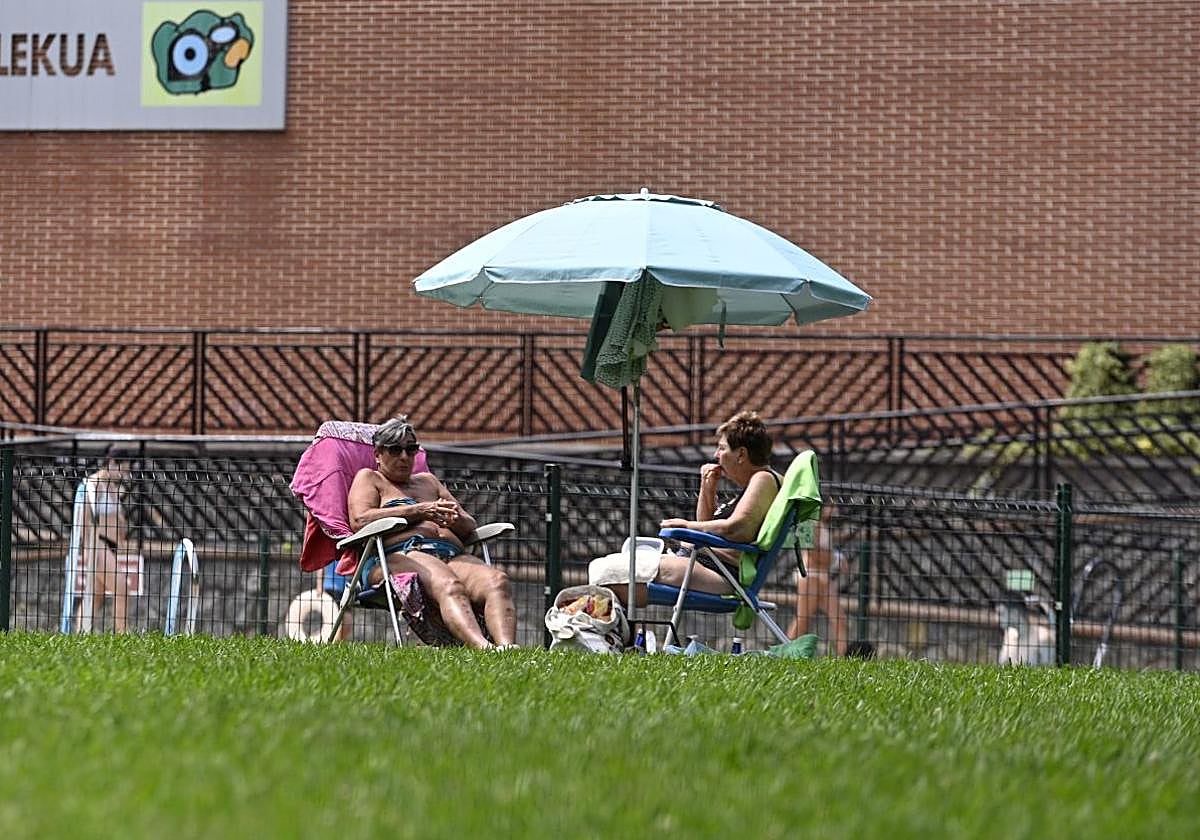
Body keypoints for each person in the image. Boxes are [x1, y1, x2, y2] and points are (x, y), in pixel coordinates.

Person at [346, 416, 518, 650]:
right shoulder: (370, 479)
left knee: (497, 581)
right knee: (450, 585)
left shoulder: (428, 481)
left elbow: (468, 525)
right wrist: (420, 510)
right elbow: (360, 520)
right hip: (400, 555)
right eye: (395, 450)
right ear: (378, 454)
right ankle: (484, 650)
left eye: (411, 449)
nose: (404, 456)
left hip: (449, 554)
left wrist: (455, 518)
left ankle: (508, 650)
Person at [591, 410, 782, 607]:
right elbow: (706, 525)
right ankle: (622, 635)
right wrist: (707, 488)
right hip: (703, 564)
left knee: (607, 572)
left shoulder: (763, 479)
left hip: (720, 573)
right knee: (607, 577)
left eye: (722, 448)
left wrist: (686, 525)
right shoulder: (748, 489)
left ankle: (616, 635)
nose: (716, 455)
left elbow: (735, 528)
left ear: (741, 454)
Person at [77, 445, 142, 633]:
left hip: (111, 546)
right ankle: (122, 635)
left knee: (95, 596)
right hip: (98, 544)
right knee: (122, 587)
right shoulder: (94, 484)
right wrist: (88, 548)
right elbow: (85, 517)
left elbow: (117, 519)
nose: (124, 475)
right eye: (123, 470)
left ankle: (80, 635)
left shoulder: (112, 487)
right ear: (112, 463)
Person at [787, 502, 849, 654]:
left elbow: (823, 551)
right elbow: (813, 554)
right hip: (810, 577)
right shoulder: (809, 523)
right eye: (831, 506)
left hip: (823, 577)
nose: (835, 510)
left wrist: (835, 557)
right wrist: (836, 559)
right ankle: (784, 653)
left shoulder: (823, 526)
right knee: (802, 620)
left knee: (840, 619)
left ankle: (844, 661)